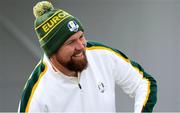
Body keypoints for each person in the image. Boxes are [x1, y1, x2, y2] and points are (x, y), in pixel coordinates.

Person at [18, 1, 157, 113]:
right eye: (71, 42)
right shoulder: (36, 93)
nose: (81, 46)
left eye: (81, 37)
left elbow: (144, 82)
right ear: (52, 51)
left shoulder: (101, 55)